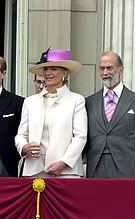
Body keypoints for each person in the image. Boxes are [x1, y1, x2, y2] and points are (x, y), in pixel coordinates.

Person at [15, 49, 87, 178]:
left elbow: (80, 137)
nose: (48, 73)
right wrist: (24, 147)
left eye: (53, 69)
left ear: (65, 72)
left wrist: (63, 163)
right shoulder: (30, 102)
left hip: (66, 172)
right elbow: (21, 134)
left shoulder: (77, 101)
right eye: (46, 69)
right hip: (34, 170)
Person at [85, 51, 135, 178]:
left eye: (109, 68)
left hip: (125, 171)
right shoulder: (89, 102)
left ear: (121, 69)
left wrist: (130, 164)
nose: (105, 73)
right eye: (102, 68)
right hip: (95, 169)